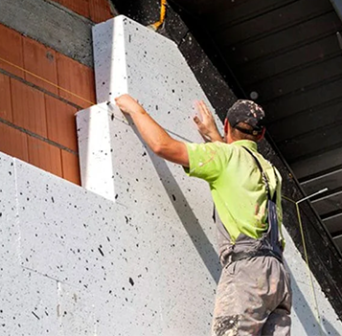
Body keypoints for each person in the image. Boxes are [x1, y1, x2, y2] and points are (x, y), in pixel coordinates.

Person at [115, 94, 292, 336]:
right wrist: (216, 139)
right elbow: (238, 170)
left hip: (247, 274)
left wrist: (136, 110)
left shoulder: (224, 157)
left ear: (227, 125)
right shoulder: (271, 171)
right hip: (278, 279)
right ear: (260, 135)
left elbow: (163, 146)